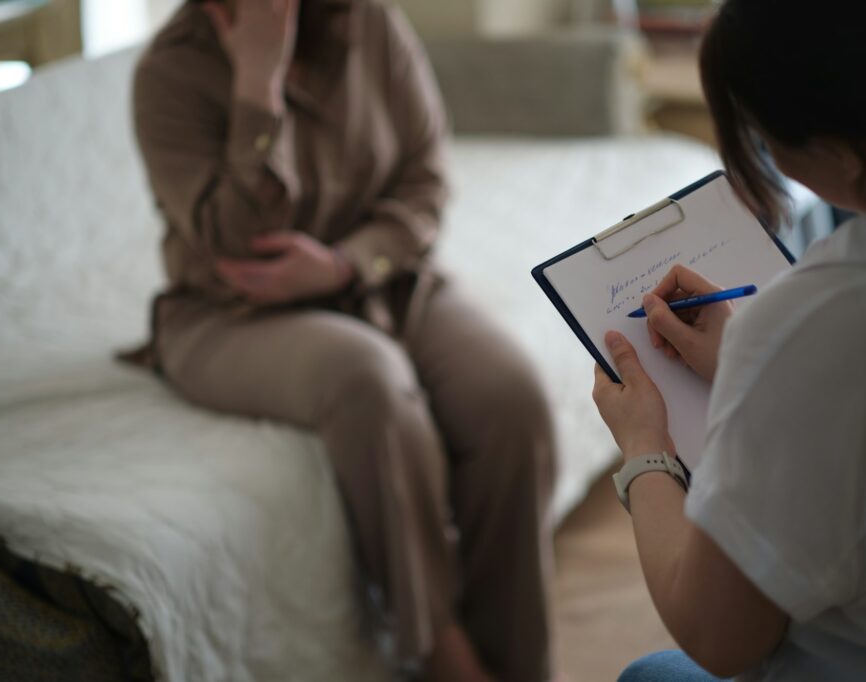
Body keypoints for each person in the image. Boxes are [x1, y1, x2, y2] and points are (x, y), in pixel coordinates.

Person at [130, 1, 555, 680]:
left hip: (378, 279)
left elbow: (427, 178)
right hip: (234, 313)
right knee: (368, 379)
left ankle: (522, 664)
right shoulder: (170, 71)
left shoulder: (369, 23)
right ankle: (443, 649)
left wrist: (343, 264)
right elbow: (239, 240)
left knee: (512, 398)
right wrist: (257, 83)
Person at [590, 0, 866, 679]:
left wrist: (646, 451)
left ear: (841, 156)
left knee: (649, 675)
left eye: (764, 133)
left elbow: (719, 637)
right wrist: (750, 363)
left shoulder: (816, 326)